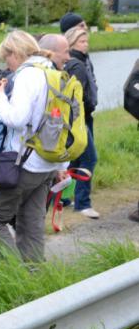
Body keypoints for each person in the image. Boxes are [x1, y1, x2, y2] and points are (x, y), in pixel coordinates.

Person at [0, 31, 69, 263]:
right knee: (31, 224)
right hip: (48, 163)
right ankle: (34, 277)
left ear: (15, 53)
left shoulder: (27, 75)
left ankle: (13, 272)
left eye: (6, 58)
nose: (7, 65)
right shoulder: (54, 73)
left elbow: (16, 118)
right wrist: (62, 165)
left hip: (25, 163)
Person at [64, 25, 99, 219]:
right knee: (89, 158)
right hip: (79, 119)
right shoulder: (76, 63)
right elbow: (76, 96)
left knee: (74, 159)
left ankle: (63, 198)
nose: (86, 45)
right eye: (82, 41)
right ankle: (83, 203)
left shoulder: (82, 60)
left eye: (86, 41)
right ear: (71, 44)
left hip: (83, 117)